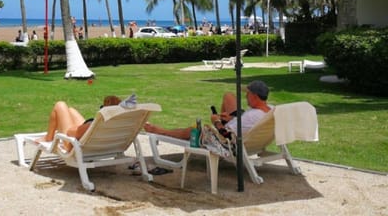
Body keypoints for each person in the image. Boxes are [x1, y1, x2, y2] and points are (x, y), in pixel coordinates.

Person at [143, 80, 272, 140]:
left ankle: (160, 131)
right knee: (229, 96)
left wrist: (216, 121)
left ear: (255, 96)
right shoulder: (271, 109)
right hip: (243, 132)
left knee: (194, 130)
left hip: (225, 141)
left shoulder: (252, 116)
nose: (245, 96)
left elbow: (226, 135)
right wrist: (233, 119)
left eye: (248, 94)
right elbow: (245, 124)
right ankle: (227, 119)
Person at [37, 95, 121, 151]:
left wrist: (79, 127)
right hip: (99, 143)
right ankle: (49, 136)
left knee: (60, 105)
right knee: (71, 110)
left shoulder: (97, 125)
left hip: (73, 146)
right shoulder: (118, 124)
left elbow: (70, 132)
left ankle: (48, 138)